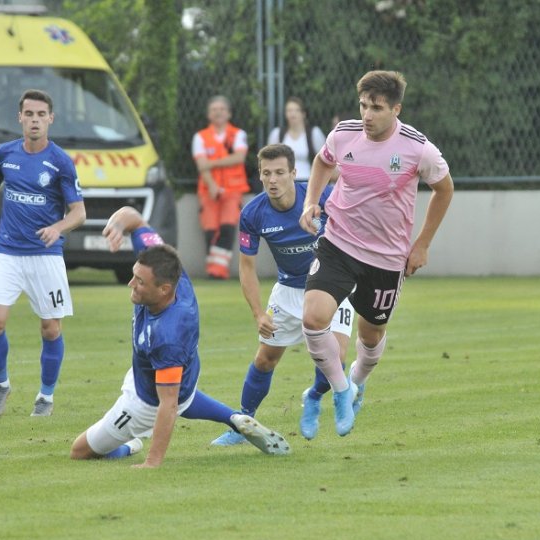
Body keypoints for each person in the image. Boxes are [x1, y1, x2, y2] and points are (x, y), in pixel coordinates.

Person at [70, 206, 290, 467]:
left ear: (163, 290)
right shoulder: (170, 271)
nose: (131, 284)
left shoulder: (168, 336)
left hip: (145, 402)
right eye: (134, 276)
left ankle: (130, 444)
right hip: (168, 373)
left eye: (139, 282)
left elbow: (169, 404)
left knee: (80, 451)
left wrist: (152, 461)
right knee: (182, 392)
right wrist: (118, 225)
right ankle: (234, 418)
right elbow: (135, 218)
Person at [299, 70, 454, 436]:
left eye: (377, 108)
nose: (367, 115)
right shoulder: (344, 134)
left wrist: (423, 243)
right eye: (363, 105)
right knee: (313, 317)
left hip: (386, 258)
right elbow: (323, 162)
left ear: (396, 109)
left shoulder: (418, 148)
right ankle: (339, 390)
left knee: (370, 337)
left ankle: (357, 379)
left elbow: (444, 190)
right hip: (339, 241)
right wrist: (310, 202)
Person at [210, 144, 354, 446]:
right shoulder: (253, 213)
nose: (272, 180)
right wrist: (258, 313)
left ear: (293, 173)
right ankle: (242, 424)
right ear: (259, 176)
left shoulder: (321, 198)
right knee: (265, 359)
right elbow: (246, 267)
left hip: (331, 286)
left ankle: (313, 396)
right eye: (266, 174)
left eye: (279, 173)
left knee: (336, 356)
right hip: (288, 291)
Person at [0, 89, 86, 418]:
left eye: (41, 115)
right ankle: (1, 384)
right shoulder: (5, 153)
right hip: (7, 252)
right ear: (20, 118)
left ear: (50, 119)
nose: (35, 120)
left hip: (46, 256)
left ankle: (46, 396)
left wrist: (58, 228)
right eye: (29, 114)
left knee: (50, 328)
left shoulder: (61, 161)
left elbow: (78, 212)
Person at [191, 95, 250, 280]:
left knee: (227, 228)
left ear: (229, 113)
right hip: (208, 191)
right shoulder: (200, 137)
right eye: (214, 109)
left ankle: (217, 271)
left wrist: (212, 163)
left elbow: (239, 158)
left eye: (222, 109)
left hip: (233, 190)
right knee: (210, 231)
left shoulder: (238, 134)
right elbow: (202, 165)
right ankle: (215, 269)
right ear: (209, 114)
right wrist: (212, 184)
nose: (218, 112)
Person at [267, 97, 326, 181]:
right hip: (283, 181)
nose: (292, 114)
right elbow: (269, 161)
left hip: (308, 181)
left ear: (303, 114)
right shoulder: (277, 134)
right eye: (289, 111)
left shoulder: (314, 133)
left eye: (296, 110)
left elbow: (324, 160)